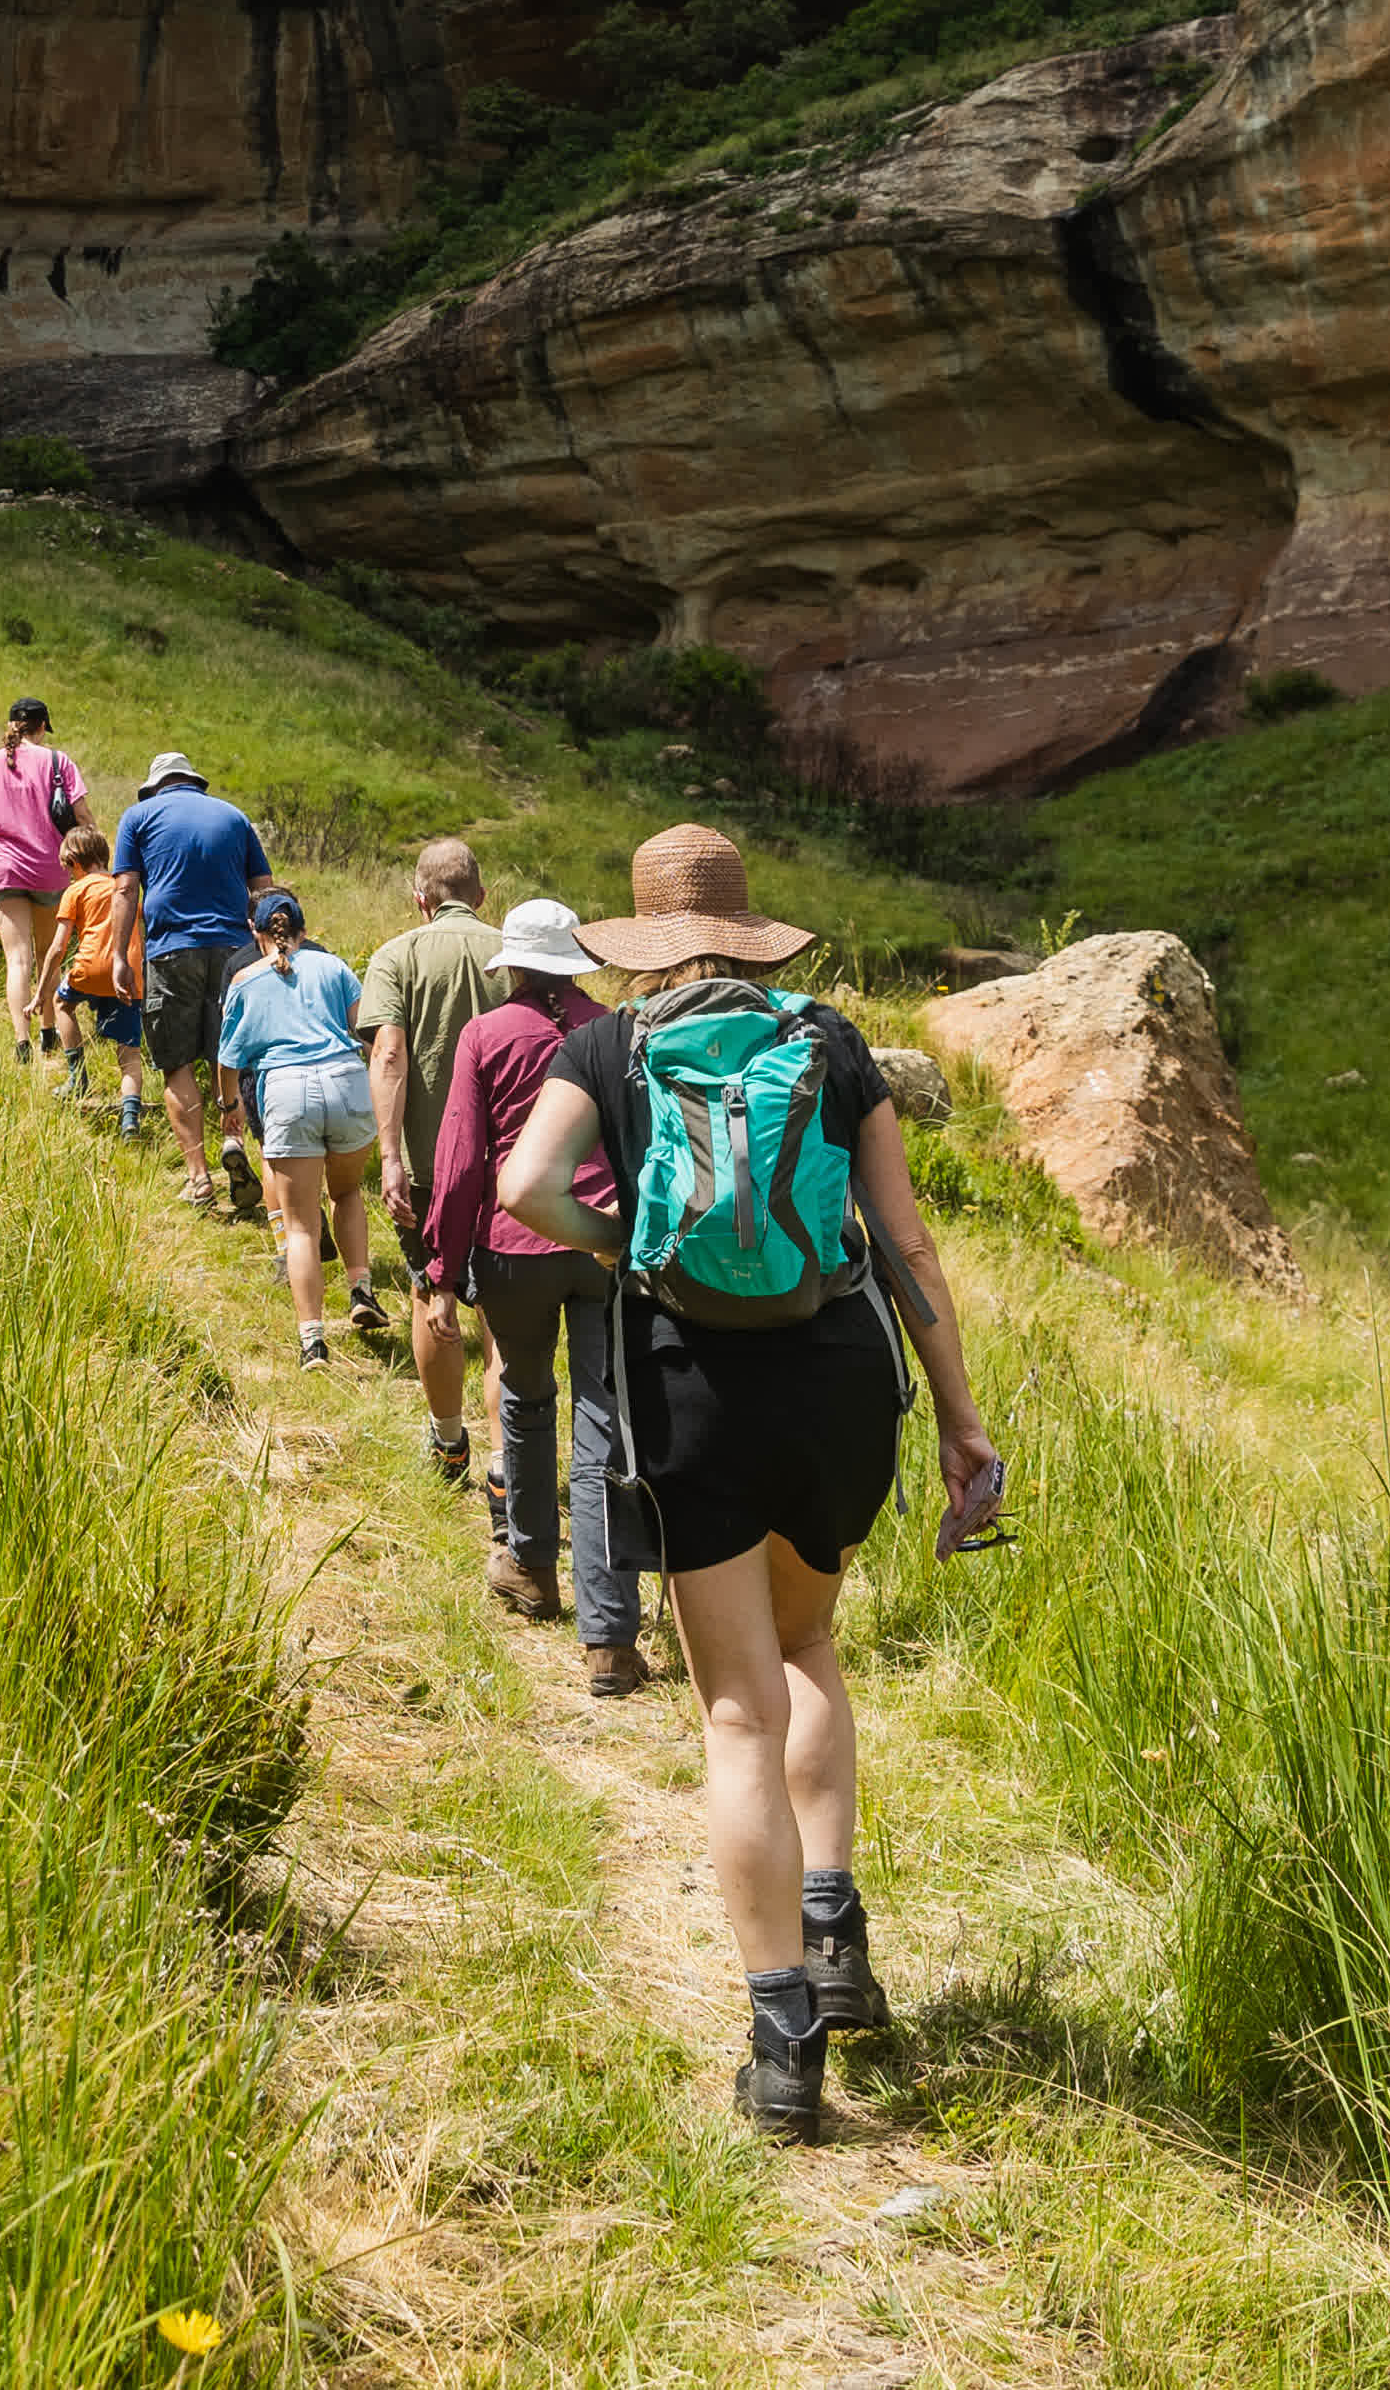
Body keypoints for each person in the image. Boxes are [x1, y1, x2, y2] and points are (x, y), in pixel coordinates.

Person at [483, 824, 1006, 2146]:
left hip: (686, 1380)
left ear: (646, 934)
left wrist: (629, 1250)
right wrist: (958, 1415)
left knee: (732, 1708)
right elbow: (900, 1236)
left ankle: (782, 2049)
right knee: (809, 1641)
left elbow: (522, 1182)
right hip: (831, 1370)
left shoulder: (602, 1042)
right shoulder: (826, 1040)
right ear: (749, 926)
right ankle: (836, 1932)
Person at [423, 897, 647, 1693]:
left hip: (511, 1243)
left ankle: (528, 1563)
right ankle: (610, 1637)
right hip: (599, 1240)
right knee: (601, 1425)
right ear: (576, 961)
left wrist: (442, 1273)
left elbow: (459, 1161)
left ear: (512, 963)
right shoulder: (617, 1029)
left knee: (523, 1399)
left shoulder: (486, 1034)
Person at [356, 840, 512, 1484]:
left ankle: (449, 1440)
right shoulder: (515, 953)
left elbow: (389, 1054)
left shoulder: (397, 956)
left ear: (419, 900)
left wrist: (389, 1156)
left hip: (426, 1168)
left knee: (430, 1291)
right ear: (481, 896)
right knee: (501, 1310)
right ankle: (511, 1457)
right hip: (509, 1168)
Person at [217, 890, 385, 1364]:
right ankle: (361, 1290)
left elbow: (228, 1058)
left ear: (257, 933)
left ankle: (313, 1339)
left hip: (288, 1091)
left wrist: (229, 1104)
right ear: (304, 930)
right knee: (347, 1193)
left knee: (300, 1225)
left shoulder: (246, 979)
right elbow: (366, 1033)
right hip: (345, 1081)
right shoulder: (332, 967)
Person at [110, 752, 277, 1216]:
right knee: (234, 1057)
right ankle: (232, 1141)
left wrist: (120, 955)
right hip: (235, 952)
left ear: (156, 787)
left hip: (171, 950)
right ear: (194, 783)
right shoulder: (234, 816)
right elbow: (263, 888)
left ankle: (199, 1178)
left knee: (177, 1062)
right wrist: (271, 950)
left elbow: (125, 889)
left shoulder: (138, 816)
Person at [0, 700, 87, 1064]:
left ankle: (21, 1042)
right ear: (43, 726)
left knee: (17, 960)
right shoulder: (58, 762)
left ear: (12, 724)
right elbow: (81, 815)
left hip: (3, 870)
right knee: (51, 955)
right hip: (51, 868)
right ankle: (49, 1031)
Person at [52, 824, 149, 1131]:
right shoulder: (126, 887)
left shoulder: (76, 890)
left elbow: (59, 945)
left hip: (90, 968)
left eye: (69, 867)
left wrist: (42, 987)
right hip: (130, 974)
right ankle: (130, 1119)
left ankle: (76, 1077)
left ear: (75, 862)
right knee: (129, 1052)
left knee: (62, 1004)